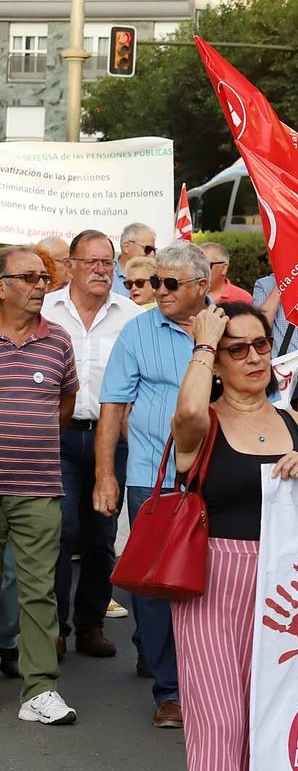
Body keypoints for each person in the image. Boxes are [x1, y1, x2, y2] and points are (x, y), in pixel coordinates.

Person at [169, 301, 298, 771]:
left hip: (284, 584)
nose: (255, 358)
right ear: (216, 359)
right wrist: (202, 345)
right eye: (238, 349)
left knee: (262, 722)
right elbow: (183, 413)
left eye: (260, 346)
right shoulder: (200, 422)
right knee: (217, 721)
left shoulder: (294, 423)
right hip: (213, 577)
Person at [97, 242, 215, 729]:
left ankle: (201, 675)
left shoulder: (229, 329)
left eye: (170, 284)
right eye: (155, 282)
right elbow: (111, 405)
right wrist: (107, 475)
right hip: (153, 475)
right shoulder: (137, 331)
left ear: (201, 288)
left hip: (215, 475)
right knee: (155, 583)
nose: (158, 292)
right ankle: (169, 691)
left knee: (209, 582)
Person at [42, 230, 142, 659]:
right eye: (92, 262)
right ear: (71, 267)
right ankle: (56, 627)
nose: (102, 270)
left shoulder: (132, 316)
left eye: (109, 262)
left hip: (110, 438)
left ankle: (90, 625)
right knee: (60, 531)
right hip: (56, 436)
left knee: (102, 534)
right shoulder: (45, 311)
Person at [0, 246, 79, 725]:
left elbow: (64, 407)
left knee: (37, 591)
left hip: (37, 484)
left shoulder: (59, 342)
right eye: (27, 277)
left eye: (44, 277)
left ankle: (40, 690)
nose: (39, 285)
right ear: (2, 285)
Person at [113, 222, 157, 298]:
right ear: (127, 247)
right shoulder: (107, 273)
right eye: (147, 249)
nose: (152, 254)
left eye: (153, 250)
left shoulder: (158, 274)